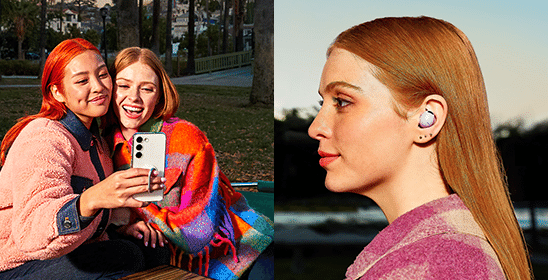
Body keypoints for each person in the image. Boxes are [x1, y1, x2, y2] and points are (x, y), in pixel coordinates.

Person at [308, 16, 532, 280]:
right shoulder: (444, 258)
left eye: (343, 102)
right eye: (324, 102)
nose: (315, 128)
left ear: (428, 119)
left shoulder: (440, 266)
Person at [0, 38, 168, 279]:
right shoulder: (44, 136)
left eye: (102, 75)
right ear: (57, 92)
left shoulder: (96, 143)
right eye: (82, 81)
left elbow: (93, 219)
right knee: (124, 255)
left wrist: (120, 226)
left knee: (153, 249)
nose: (99, 87)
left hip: (65, 251)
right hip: (17, 264)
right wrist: (92, 198)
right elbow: (32, 232)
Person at [101, 47, 274, 280]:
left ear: (160, 95)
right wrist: (124, 226)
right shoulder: (104, 145)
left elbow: (196, 232)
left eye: (147, 88)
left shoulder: (187, 138)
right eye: (124, 85)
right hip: (168, 261)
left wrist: (133, 212)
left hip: (240, 254)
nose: (134, 97)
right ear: (110, 90)